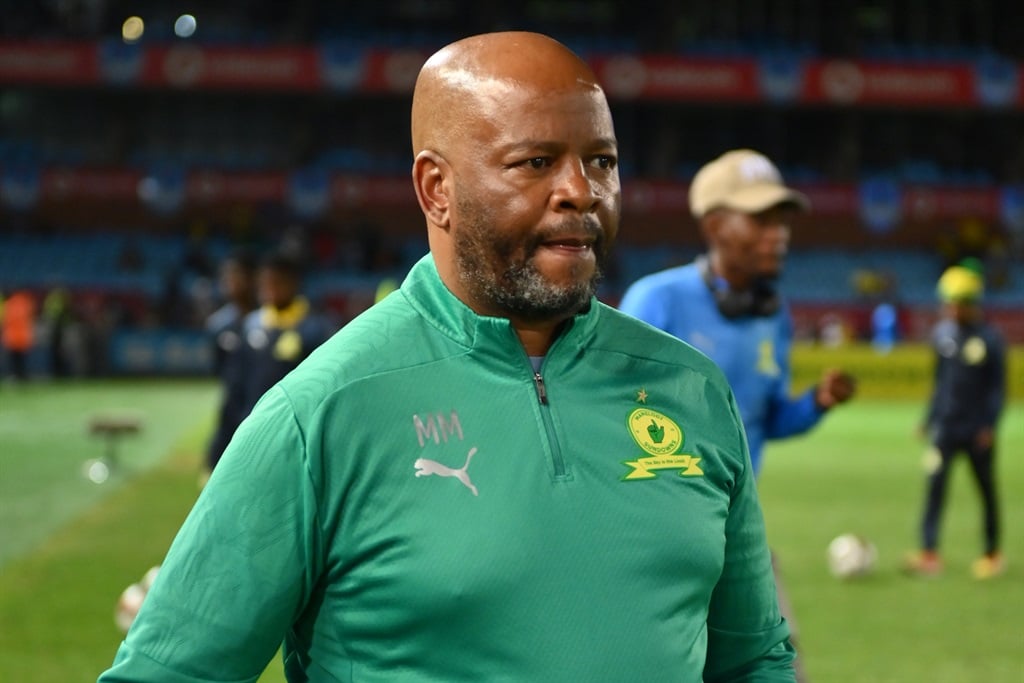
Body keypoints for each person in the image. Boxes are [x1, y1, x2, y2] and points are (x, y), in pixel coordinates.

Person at [98, 32, 796, 682]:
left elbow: (755, 657)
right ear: (437, 189)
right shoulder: (320, 414)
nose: (581, 192)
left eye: (602, 162)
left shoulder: (691, 390)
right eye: (536, 162)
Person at [618, 148, 857, 681]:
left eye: (783, 221)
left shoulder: (774, 316)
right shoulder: (657, 302)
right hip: (654, 539)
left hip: (737, 531)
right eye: (761, 220)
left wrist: (816, 403)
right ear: (715, 225)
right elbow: (609, 416)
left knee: (777, 665)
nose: (779, 234)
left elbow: (770, 420)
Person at [904, 264, 1006, 579]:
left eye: (956, 302)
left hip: (977, 432)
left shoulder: (990, 339)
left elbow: (997, 389)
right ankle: (929, 552)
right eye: (947, 302)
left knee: (986, 492)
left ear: (971, 302)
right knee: (935, 489)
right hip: (945, 430)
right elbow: (940, 384)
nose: (950, 308)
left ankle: (991, 553)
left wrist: (989, 425)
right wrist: (928, 419)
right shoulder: (941, 336)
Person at [239, 249, 333, 415]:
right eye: (265, 283)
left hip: (296, 417)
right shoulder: (252, 323)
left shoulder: (315, 326)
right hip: (255, 416)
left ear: (293, 283)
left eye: (276, 282)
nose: (270, 289)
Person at [203, 248, 259, 477]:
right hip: (231, 411)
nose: (229, 282)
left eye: (236, 276)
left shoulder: (269, 321)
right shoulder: (218, 326)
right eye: (226, 277)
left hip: (262, 407)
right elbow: (220, 370)